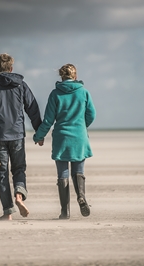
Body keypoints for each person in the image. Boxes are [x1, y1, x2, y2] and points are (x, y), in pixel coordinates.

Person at [0, 53, 42, 220]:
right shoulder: (21, 86)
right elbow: (32, 108)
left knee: (2, 173)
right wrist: (39, 131)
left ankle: (8, 212)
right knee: (19, 169)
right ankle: (19, 195)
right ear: (11, 69)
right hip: (17, 134)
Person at [33, 63, 96, 219]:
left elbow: (48, 120)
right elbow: (91, 114)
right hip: (79, 137)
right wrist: (81, 126)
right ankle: (81, 195)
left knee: (63, 174)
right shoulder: (84, 92)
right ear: (75, 76)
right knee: (78, 171)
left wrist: (39, 136)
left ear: (61, 77)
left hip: (61, 137)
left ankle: (64, 212)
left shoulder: (55, 94)